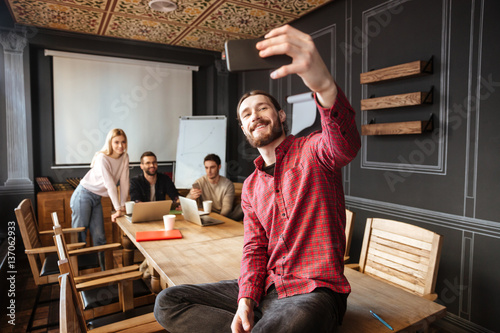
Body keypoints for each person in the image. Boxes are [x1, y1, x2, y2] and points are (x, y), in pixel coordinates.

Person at [154, 24, 361, 333]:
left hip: (313, 291)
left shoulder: (314, 151)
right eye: (247, 114)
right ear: (244, 128)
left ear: (280, 116)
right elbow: (254, 248)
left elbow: (344, 144)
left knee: (298, 320)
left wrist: (325, 87)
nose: (255, 116)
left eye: (262, 107)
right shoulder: (251, 186)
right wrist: (246, 299)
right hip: (268, 286)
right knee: (168, 302)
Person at [70, 128, 130, 270]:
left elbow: (124, 182)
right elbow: (110, 184)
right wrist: (118, 208)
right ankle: (76, 273)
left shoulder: (124, 157)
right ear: (110, 142)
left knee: (100, 237)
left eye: (123, 142)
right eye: (116, 142)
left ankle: (105, 272)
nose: (120, 146)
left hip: (96, 198)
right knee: (80, 234)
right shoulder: (102, 158)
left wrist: (122, 206)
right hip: (83, 195)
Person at [187, 153, 242, 220]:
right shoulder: (199, 182)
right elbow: (188, 200)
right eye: (206, 168)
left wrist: (218, 220)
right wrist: (192, 197)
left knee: (242, 207)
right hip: (205, 215)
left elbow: (226, 208)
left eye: (212, 167)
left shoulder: (228, 184)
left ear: (219, 167)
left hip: (223, 216)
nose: (209, 171)